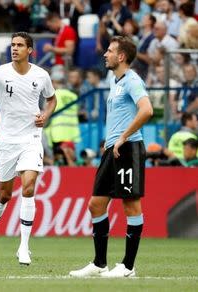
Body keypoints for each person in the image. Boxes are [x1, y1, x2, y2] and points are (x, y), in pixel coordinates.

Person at [0, 32, 57, 265]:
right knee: (5, 194)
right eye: (12, 45)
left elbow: (52, 99)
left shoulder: (41, 75)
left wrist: (45, 114)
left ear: (30, 50)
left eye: (19, 45)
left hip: (31, 139)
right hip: (6, 141)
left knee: (28, 189)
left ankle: (24, 247)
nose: (14, 49)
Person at [69, 36, 153, 278]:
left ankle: (128, 266)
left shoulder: (132, 81)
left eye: (110, 51)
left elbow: (146, 110)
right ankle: (99, 263)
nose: (105, 54)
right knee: (95, 205)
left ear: (121, 56)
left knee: (130, 205)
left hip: (128, 148)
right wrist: (111, 141)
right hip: (112, 150)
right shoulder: (116, 82)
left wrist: (124, 136)